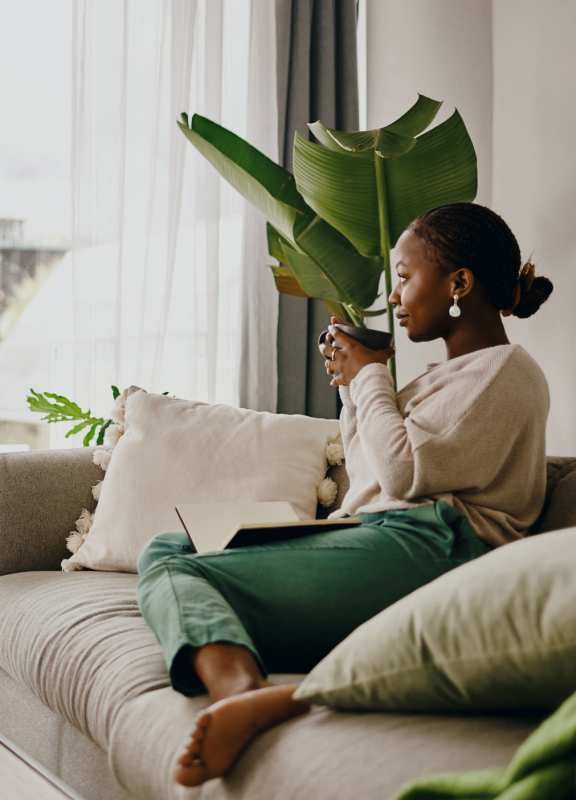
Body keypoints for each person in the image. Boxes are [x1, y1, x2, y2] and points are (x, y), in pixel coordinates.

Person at [135, 202, 554, 787]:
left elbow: (406, 477)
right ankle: (240, 677)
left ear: (459, 283)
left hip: (439, 547)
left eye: (405, 277)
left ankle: (240, 693)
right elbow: (370, 480)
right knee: (167, 549)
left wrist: (371, 377)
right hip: (383, 535)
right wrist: (355, 392)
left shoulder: (508, 372)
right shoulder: (441, 378)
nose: (398, 295)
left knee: (192, 575)